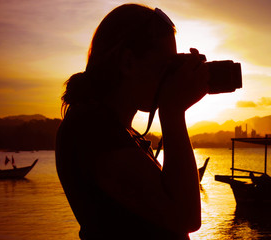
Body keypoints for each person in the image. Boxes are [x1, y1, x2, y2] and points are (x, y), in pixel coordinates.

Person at [55, 4, 208, 240]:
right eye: (166, 65)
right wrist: (173, 111)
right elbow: (186, 217)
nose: (170, 76)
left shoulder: (117, 130)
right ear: (128, 63)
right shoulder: (92, 131)